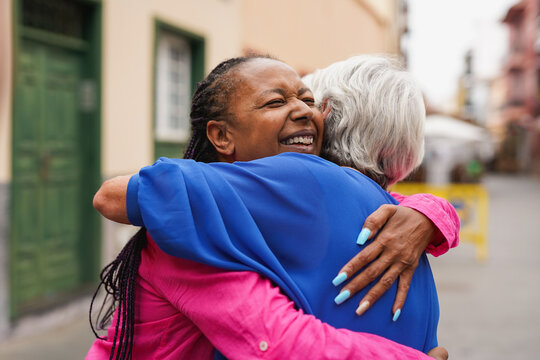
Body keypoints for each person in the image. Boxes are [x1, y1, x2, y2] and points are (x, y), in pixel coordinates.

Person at [89, 55, 455, 360]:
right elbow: (278, 343)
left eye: (309, 100)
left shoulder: (336, 201)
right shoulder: (191, 225)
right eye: (275, 102)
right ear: (221, 135)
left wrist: (431, 212)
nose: (302, 111)